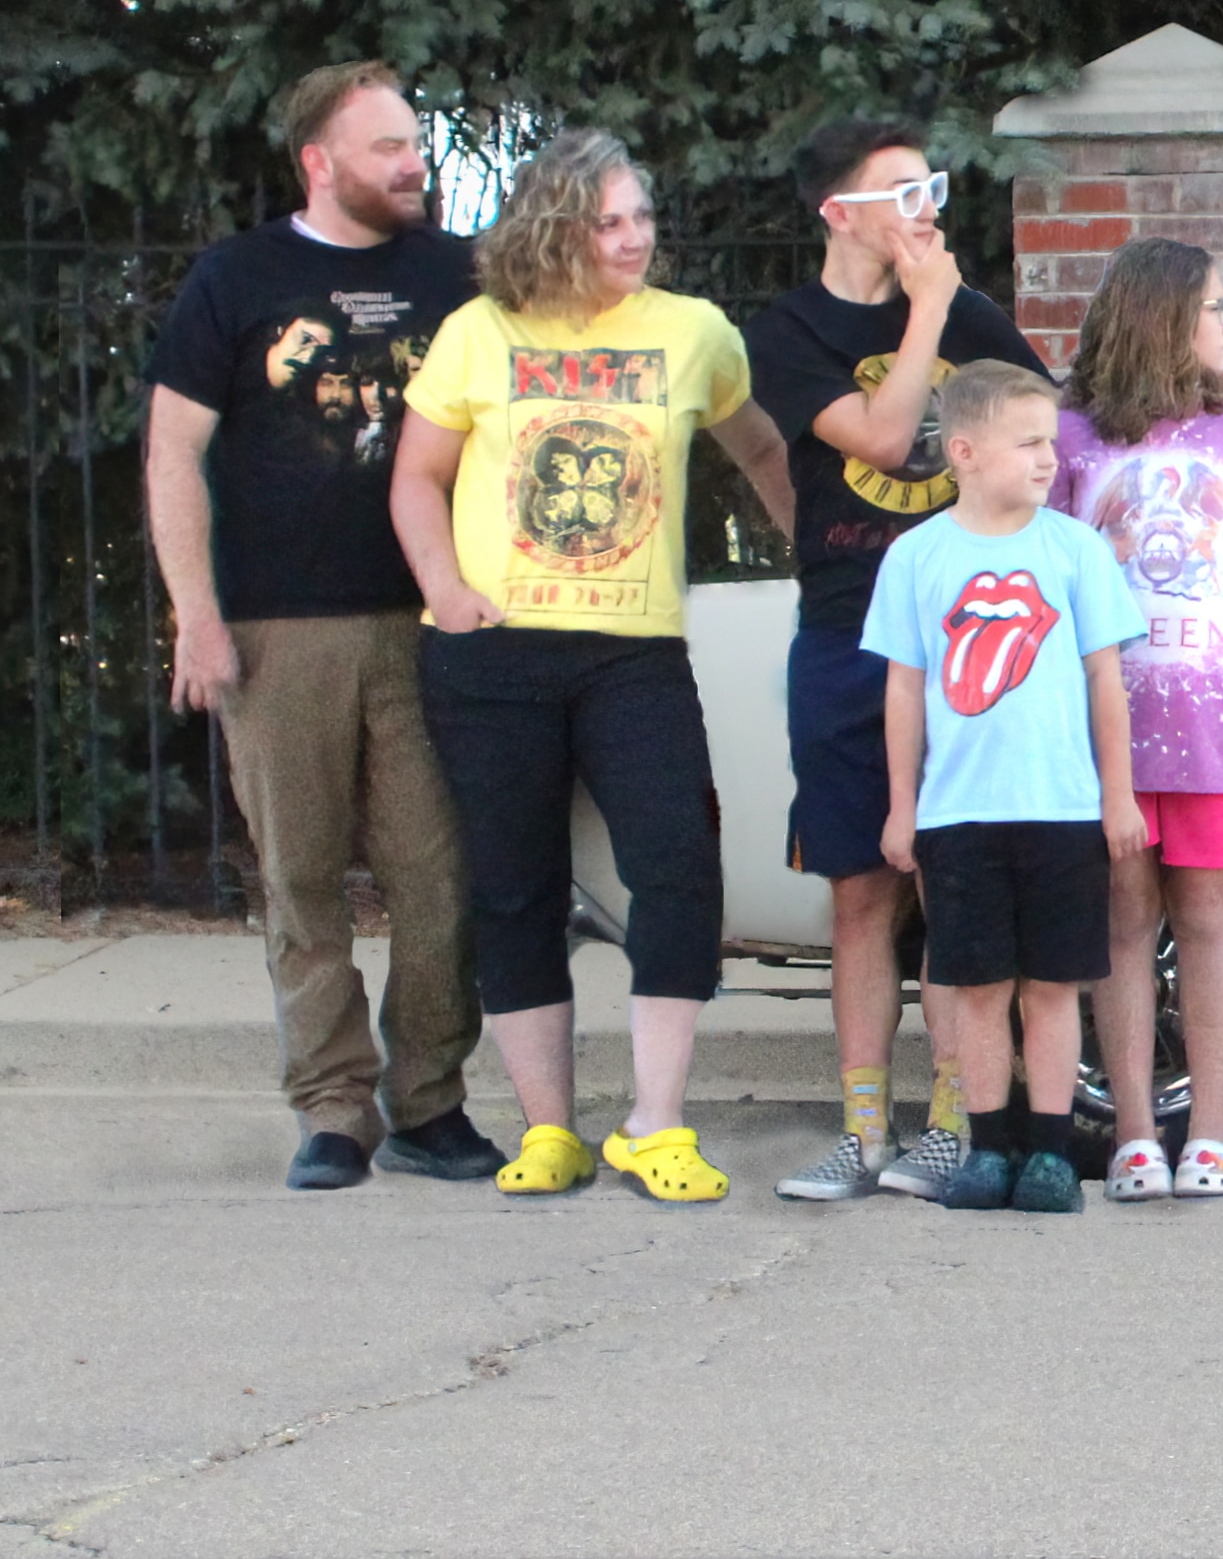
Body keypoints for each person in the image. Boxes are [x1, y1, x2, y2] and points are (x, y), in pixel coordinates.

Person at [390, 128, 796, 1200]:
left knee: (677, 870)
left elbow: (759, 445)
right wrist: (447, 592)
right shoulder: (479, 332)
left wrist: (823, 561)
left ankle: (654, 1125)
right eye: (608, 220)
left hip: (633, 656)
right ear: (553, 227)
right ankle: (547, 1132)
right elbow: (415, 478)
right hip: (491, 658)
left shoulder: (694, 332)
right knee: (515, 892)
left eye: (641, 216)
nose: (633, 238)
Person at [145, 63, 496, 1190]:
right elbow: (172, 454)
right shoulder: (237, 277)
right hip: (277, 628)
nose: (414, 163)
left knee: (441, 879)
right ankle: (334, 1108)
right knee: (300, 880)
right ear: (319, 161)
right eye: (388, 147)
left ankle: (429, 1098)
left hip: (430, 620)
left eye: (416, 145)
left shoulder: (460, 275)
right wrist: (196, 617)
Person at [743, 115, 1045, 1205]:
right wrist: (923, 312)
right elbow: (877, 436)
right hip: (847, 629)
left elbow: (1034, 429)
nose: (926, 209)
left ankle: (954, 1122)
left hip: (971, 633)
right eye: (901, 190)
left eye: (934, 187)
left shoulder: (969, 313)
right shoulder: (789, 330)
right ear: (840, 213)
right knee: (862, 891)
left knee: (958, 882)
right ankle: (861, 1129)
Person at [1054, 239, 1223, 1198]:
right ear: (1163, 316)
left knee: (1208, 915)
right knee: (1122, 923)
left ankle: (1209, 1129)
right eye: (1215, 306)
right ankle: (1129, 1134)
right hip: (1105, 734)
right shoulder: (1075, 439)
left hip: (1216, 728)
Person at [867, 362, 1149, 1214]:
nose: (1046, 461)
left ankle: (1054, 1154)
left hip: (1061, 810)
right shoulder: (916, 557)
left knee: (1054, 987)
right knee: (978, 989)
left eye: (1050, 444)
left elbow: (1106, 679)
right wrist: (902, 807)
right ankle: (988, 1148)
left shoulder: (1074, 549)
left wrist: (1118, 794)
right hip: (958, 816)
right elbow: (905, 689)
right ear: (965, 452)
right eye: (1027, 443)